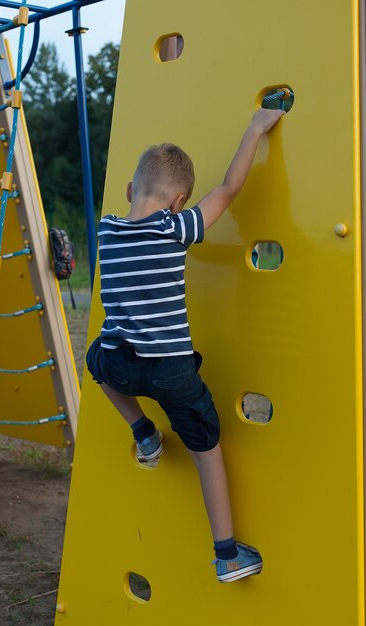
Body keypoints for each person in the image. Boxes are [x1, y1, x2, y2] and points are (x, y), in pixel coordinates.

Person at [86, 107, 285, 582]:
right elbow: (228, 190)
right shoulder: (173, 228)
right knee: (206, 451)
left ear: (131, 191)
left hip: (122, 365)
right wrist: (255, 128)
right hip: (172, 370)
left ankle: (143, 433)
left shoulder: (108, 231)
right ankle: (228, 553)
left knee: (95, 355)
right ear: (177, 203)